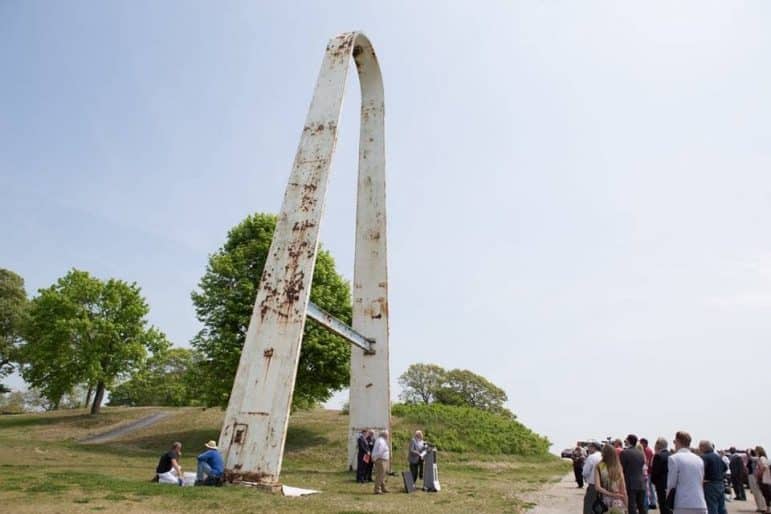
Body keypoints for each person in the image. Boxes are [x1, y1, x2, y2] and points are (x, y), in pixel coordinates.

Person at [667, 431, 707, 514]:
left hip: (683, 503)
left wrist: (668, 500)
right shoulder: (699, 459)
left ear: (678, 441)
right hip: (700, 503)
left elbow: (671, 484)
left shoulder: (674, 458)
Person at [594, 443, 629, 514]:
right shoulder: (618, 467)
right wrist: (626, 506)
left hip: (604, 502)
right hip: (618, 501)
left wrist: (610, 494)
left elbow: (597, 487)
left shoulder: (599, 466)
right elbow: (623, 490)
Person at [620, 434, 647, 514]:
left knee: (631, 506)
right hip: (641, 482)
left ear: (629, 441)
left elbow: (621, 468)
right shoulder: (641, 453)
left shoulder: (624, 453)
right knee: (641, 506)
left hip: (630, 483)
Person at [699, 440, 727, 514]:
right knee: (721, 507)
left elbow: (701, 470)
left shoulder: (704, 457)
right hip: (720, 484)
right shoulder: (717, 457)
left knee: (711, 507)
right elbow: (725, 467)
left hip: (710, 485)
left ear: (703, 447)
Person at [651, 437, 671, 514]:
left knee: (663, 507)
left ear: (658, 445)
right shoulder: (672, 455)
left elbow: (655, 472)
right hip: (670, 485)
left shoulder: (658, 456)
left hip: (661, 485)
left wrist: (654, 482)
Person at [582, 441, 603, 514]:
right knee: (600, 505)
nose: (588, 449)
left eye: (589, 448)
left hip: (593, 485)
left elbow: (585, 472)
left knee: (589, 504)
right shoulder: (603, 456)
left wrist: (585, 478)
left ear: (594, 448)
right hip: (604, 486)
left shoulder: (591, 457)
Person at [747, 449, 767, 513]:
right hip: (751, 476)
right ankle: (759, 507)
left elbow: (751, 458)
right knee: (755, 493)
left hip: (755, 476)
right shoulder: (753, 459)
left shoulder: (759, 458)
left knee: (758, 492)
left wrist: (748, 452)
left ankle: (763, 507)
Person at [641, 438, 657, 509]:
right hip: (647, 472)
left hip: (648, 472)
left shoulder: (648, 451)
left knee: (649, 487)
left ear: (645, 443)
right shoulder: (648, 450)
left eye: (641, 443)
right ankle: (651, 502)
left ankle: (652, 503)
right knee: (649, 488)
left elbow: (648, 462)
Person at [756, 446, 771, 513]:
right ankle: (768, 509)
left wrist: (760, 473)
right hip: (764, 478)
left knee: (766, 494)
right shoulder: (764, 458)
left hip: (763, 479)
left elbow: (765, 466)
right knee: (766, 494)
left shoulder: (762, 458)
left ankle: (768, 509)